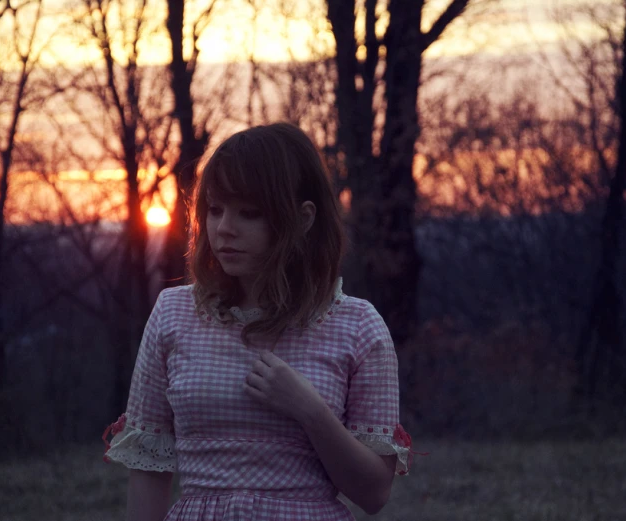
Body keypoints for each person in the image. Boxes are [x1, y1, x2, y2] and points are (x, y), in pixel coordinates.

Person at [102, 122, 415, 521]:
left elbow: (373, 493)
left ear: (302, 219)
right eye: (214, 210)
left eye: (249, 213)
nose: (224, 229)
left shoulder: (357, 327)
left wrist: (310, 411)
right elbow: (148, 472)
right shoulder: (174, 313)